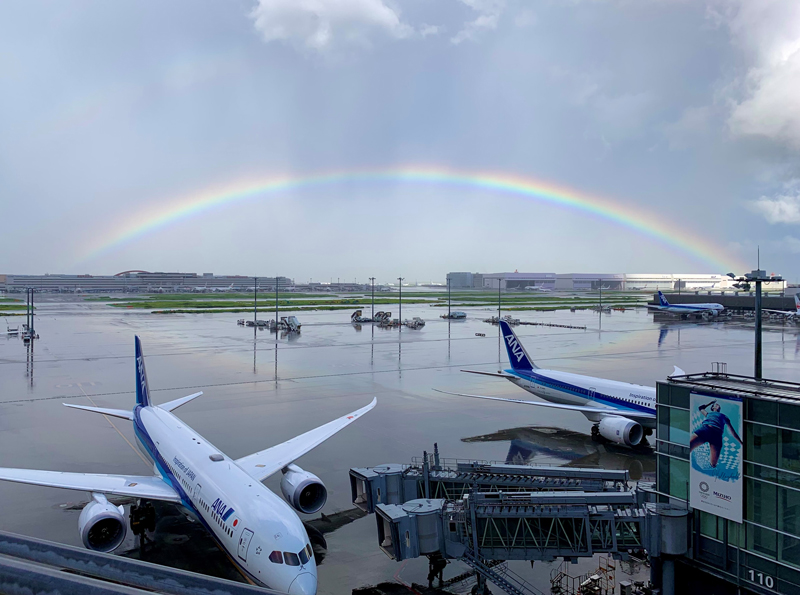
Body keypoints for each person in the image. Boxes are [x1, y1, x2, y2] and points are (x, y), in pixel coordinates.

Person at [689, 400, 742, 468]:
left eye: (718, 405)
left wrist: (741, 442)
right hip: (706, 429)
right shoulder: (708, 414)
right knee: (689, 446)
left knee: (713, 464)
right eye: (715, 405)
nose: (717, 405)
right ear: (712, 407)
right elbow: (701, 408)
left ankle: (708, 468)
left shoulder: (724, 417)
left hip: (717, 435)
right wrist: (710, 403)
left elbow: (733, 432)